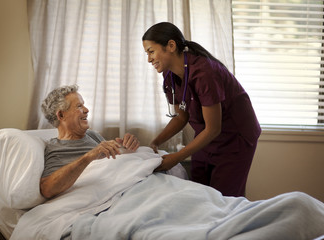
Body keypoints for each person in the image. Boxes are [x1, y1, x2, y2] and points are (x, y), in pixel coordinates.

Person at [142, 22, 261, 197]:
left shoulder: (205, 73)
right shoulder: (170, 76)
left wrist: (176, 157)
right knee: (199, 196)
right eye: (147, 53)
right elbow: (181, 117)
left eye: (151, 51)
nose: (149, 59)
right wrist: (155, 142)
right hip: (206, 137)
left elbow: (214, 128)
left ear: (171, 46)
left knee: (224, 200)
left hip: (235, 137)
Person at [39, 84, 140, 199]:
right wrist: (89, 156)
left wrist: (126, 147)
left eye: (84, 105)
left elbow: (112, 165)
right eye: (79, 106)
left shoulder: (92, 135)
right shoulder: (55, 148)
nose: (86, 110)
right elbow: (47, 189)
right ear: (61, 115)